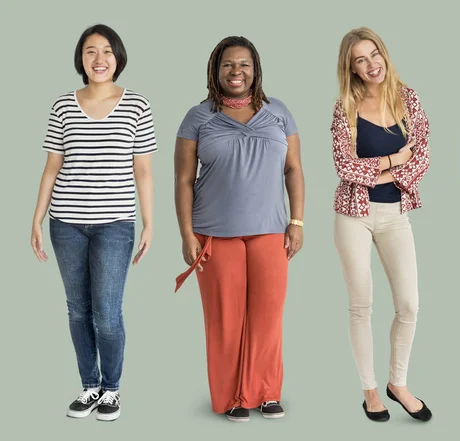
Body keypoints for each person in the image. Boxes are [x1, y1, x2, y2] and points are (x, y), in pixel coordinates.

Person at [173, 36, 305, 423]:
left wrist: (296, 222)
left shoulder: (279, 113)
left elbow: (294, 169)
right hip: (214, 232)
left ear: (255, 70)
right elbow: (183, 180)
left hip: (270, 231)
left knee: (268, 316)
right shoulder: (198, 117)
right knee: (225, 320)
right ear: (216, 70)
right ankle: (232, 396)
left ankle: (265, 392)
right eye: (228, 64)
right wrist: (186, 233)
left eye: (244, 64)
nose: (236, 71)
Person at [30, 24, 157, 421]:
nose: (99, 59)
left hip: (115, 224)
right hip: (65, 223)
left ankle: (112, 389)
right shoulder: (62, 106)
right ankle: (89, 386)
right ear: (80, 59)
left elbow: (143, 172)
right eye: (90, 51)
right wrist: (36, 219)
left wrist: (149, 223)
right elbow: (52, 167)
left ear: (118, 57)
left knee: (107, 312)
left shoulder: (137, 106)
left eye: (106, 51)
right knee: (77, 310)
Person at [331, 27, 431, 422]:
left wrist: (378, 171)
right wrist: (393, 161)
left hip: (395, 215)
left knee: (409, 304)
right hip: (353, 214)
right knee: (362, 305)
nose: (371, 64)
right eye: (360, 59)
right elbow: (344, 167)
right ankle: (370, 390)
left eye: (375, 54)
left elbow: (422, 159)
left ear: (384, 55)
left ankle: (398, 383)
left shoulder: (409, 98)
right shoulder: (344, 107)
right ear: (351, 68)